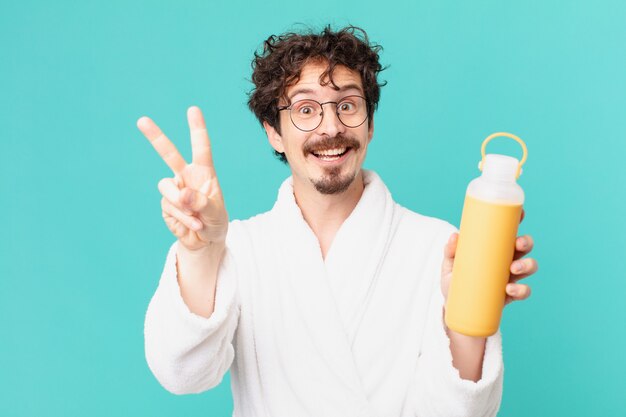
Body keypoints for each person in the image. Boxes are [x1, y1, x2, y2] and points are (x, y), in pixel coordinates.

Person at [139, 26, 538, 417]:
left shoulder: (439, 247)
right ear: (274, 133)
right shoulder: (241, 248)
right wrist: (201, 254)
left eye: (348, 105)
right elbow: (182, 375)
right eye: (306, 109)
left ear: (370, 124)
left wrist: (467, 320)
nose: (331, 127)